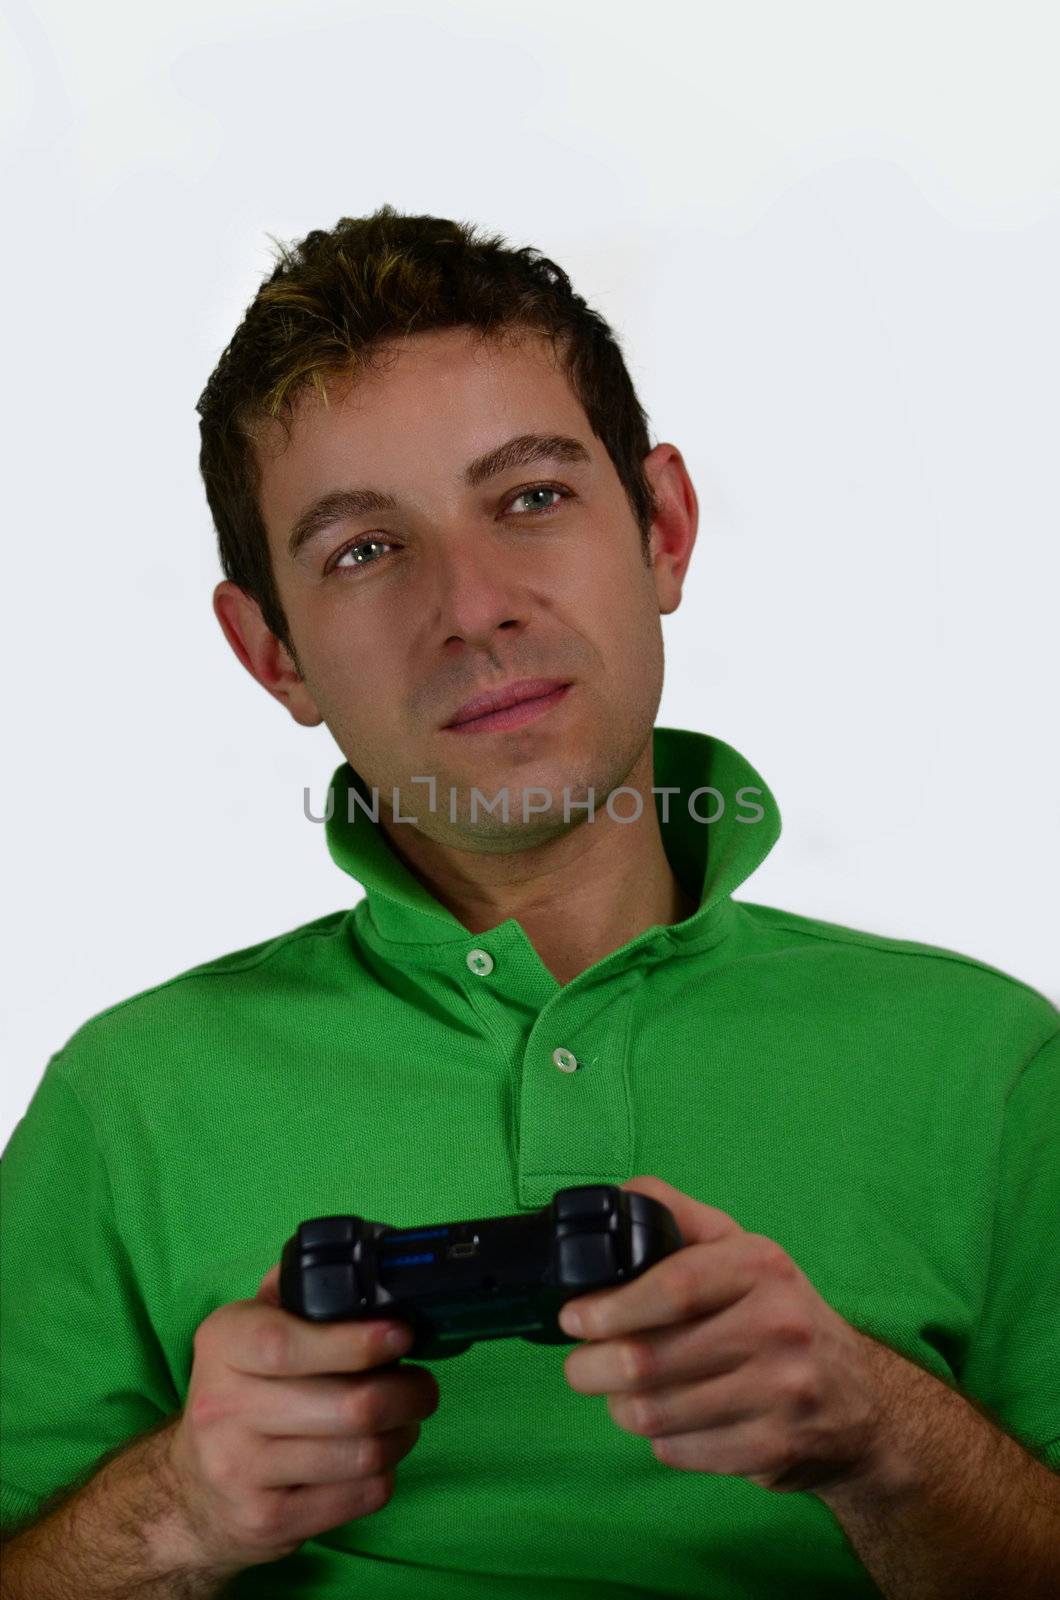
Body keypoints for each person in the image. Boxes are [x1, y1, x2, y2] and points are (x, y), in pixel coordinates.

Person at [1, 205, 1057, 1600]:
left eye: (532, 497)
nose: (474, 606)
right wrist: (181, 1508)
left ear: (665, 529)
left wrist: (884, 1442)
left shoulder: (991, 1069)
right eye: (365, 550)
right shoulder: (125, 1103)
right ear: (273, 653)